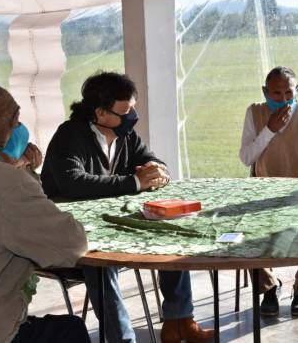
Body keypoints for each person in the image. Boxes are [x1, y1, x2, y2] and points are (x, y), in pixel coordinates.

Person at [41, 71, 213, 343]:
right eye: (126, 110)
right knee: (101, 264)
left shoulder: (126, 135)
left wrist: (159, 172)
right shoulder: (69, 135)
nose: (133, 115)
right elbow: (73, 183)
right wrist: (134, 182)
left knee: (172, 233)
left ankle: (180, 321)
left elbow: (151, 160)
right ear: (100, 113)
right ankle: (123, 340)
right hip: (71, 237)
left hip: (114, 226)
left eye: (133, 107)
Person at [0, 80, 90, 343]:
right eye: (14, 123)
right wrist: (21, 172)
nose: (18, 130)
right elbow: (70, 245)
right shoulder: (3, 182)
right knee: (69, 330)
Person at [239, 66, 298, 316]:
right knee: (245, 229)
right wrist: (269, 129)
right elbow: (246, 158)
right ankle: (268, 287)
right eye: (276, 93)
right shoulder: (255, 112)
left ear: (296, 90)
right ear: (265, 91)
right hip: (262, 186)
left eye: (289, 92)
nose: (283, 99)